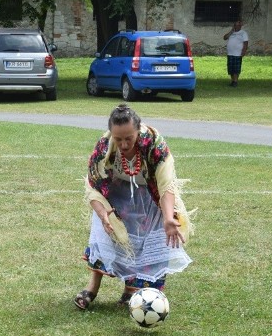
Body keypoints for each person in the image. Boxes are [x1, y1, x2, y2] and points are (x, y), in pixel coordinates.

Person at [74, 104, 193, 310]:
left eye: (129, 138)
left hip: (150, 191)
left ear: (138, 130)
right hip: (115, 189)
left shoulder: (155, 144)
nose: (123, 143)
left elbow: (166, 184)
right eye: (118, 138)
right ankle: (92, 287)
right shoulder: (104, 147)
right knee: (106, 233)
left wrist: (167, 218)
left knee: (145, 237)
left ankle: (133, 291)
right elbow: (93, 186)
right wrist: (103, 214)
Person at [223, 19, 249, 87]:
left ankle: (235, 81)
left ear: (240, 26)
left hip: (237, 53)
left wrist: (244, 51)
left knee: (236, 69)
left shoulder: (243, 33)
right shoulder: (232, 33)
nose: (236, 26)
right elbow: (224, 38)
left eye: (238, 25)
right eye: (235, 25)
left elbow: (246, 43)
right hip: (230, 53)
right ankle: (232, 81)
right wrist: (231, 31)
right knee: (231, 68)